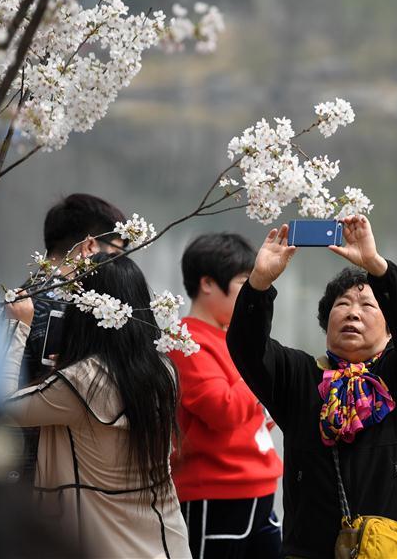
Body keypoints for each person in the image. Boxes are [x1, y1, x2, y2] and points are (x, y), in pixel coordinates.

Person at [226, 215, 397, 558]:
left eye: (368, 305)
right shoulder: (299, 376)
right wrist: (259, 284)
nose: (353, 313)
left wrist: (376, 265)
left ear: (390, 332)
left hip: (392, 551)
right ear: (326, 323)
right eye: (343, 304)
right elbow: (246, 348)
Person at [4, 254, 190, 559]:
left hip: (101, 544)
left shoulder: (79, 381)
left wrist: (21, 327)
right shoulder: (164, 369)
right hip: (166, 543)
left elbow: (0, 409)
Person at [169, 233, 284, 559]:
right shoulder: (185, 340)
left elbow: (244, 405)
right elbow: (224, 409)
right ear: (208, 283)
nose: (249, 294)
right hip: (216, 492)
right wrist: (257, 370)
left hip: (259, 485)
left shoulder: (229, 337)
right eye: (243, 284)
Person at [4, 193, 126, 487]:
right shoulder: (89, 310)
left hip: (11, 459)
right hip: (59, 469)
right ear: (90, 245)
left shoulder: (18, 300)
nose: (120, 263)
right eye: (118, 252)